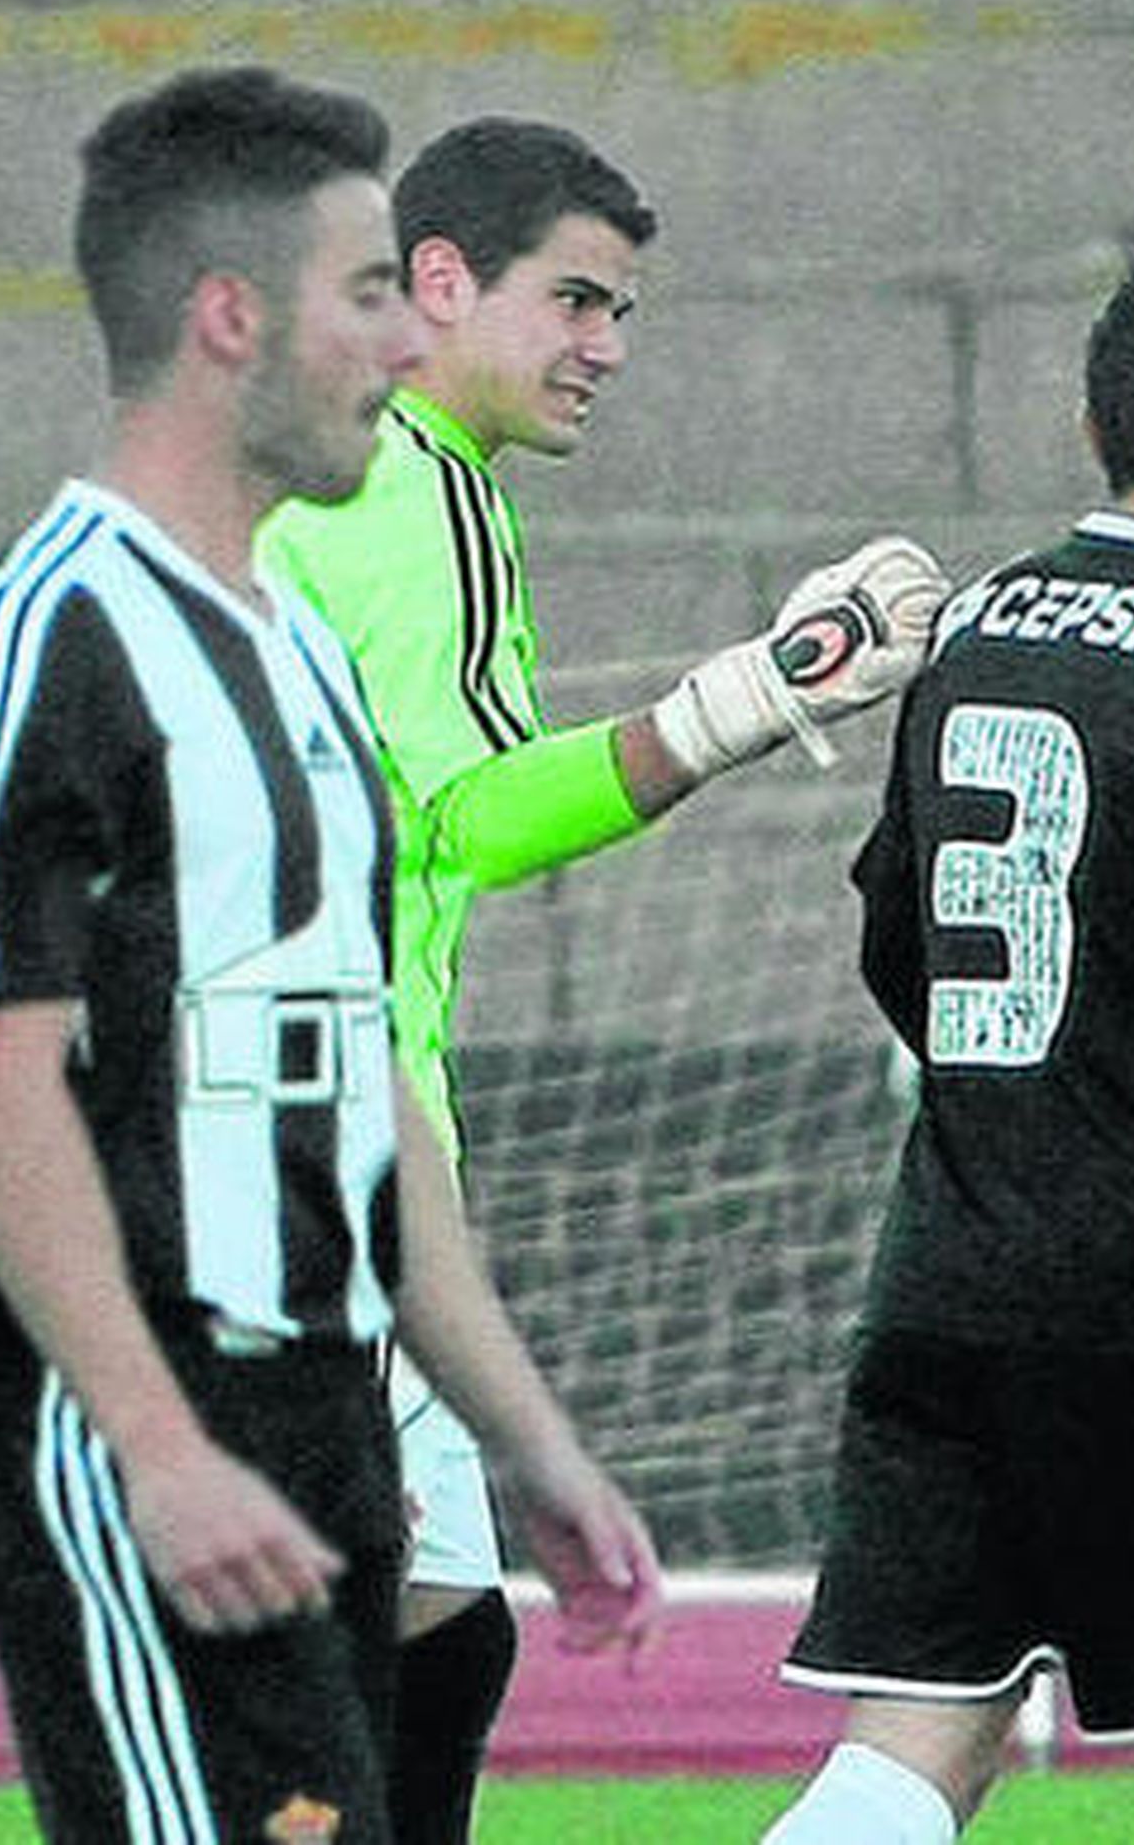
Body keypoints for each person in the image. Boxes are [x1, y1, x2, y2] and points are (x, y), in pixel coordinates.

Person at [0, 67, 664, 1845]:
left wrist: (524, 1433)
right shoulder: (45, 635)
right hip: (155, 1439)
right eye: (370, 295)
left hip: (334, 1420)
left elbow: (361, 1070)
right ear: (231, 320)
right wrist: (157, 1447)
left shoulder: (298, 654)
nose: (406, 346)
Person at [257, 115, 951, 1842]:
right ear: (438, 283)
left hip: (267, 1128)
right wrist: (749, 700)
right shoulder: (413, 494)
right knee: (335, 1682)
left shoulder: (306, 471)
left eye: (621, 312)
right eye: (575, 301)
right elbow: (466, 822)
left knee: (433, 1643)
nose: (604, 349)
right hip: (314, 1151)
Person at [761, 244, 1134, 1845]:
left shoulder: (972, 626)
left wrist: (1018, 1109)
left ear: (1092, 420)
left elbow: (896, 934)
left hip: (948, 1290)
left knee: (907, 1762)